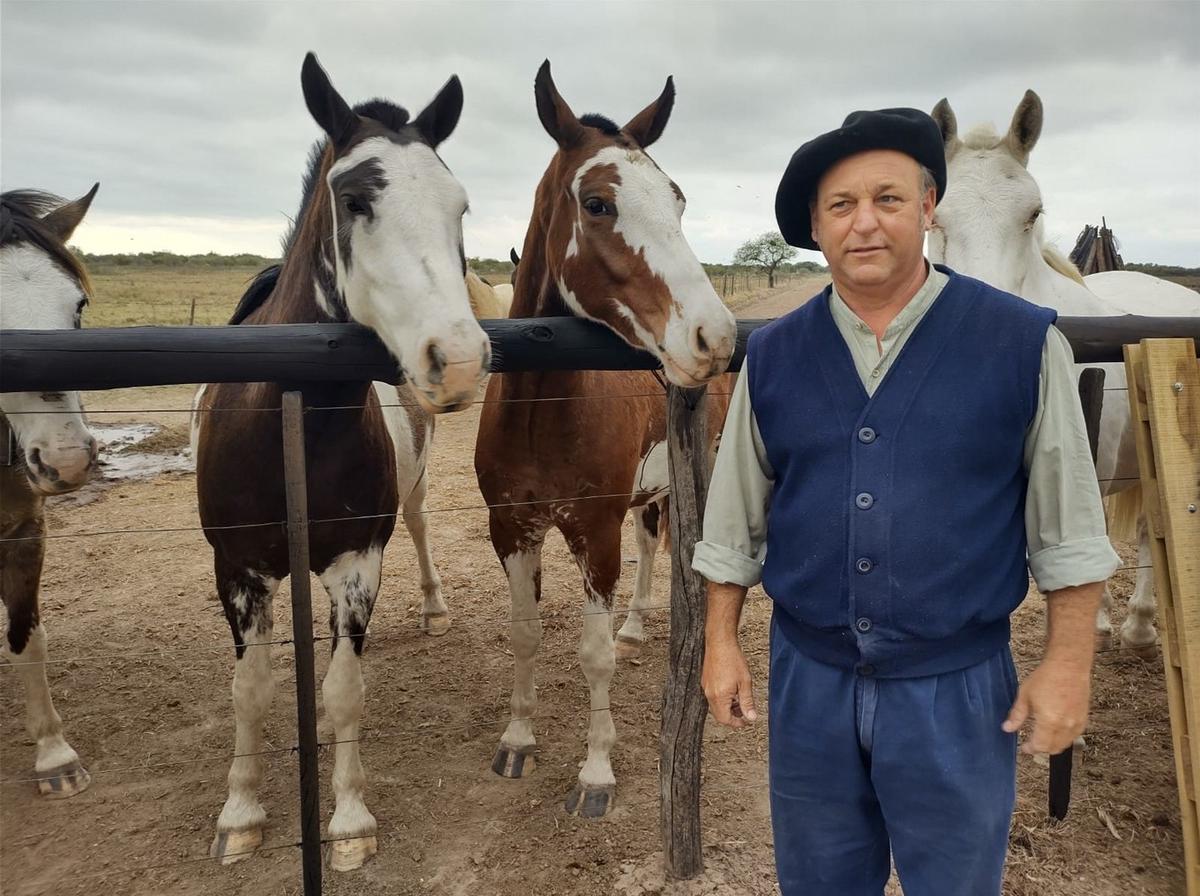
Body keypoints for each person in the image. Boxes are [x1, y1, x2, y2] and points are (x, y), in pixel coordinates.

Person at [692, 108, 1120, 895]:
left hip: (955, 688)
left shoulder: (1024, 344)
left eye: (888, 199)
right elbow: (734, 520)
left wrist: (1067, 666)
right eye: (841, 206)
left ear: (929, 207)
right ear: (817, 228)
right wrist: (722, 641)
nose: (865, 224)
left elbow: (1069, 532)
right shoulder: (775, 354)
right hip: (808, 683)